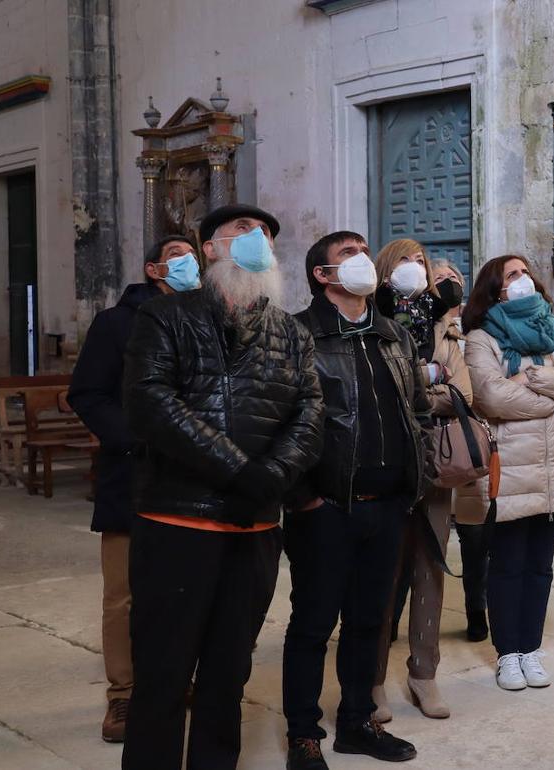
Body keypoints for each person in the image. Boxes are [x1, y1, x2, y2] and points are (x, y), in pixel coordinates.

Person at [121, 204, 323, 770]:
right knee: (163, 676)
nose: (257, 238)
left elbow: (310, 414)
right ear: (208, 247)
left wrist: (271, 478)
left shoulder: (288, 330)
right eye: (240, 230)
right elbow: (152, 403)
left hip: (255, 526)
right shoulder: (167, 317)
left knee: (228, 676)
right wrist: (240, 471)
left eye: (265, 233)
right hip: (178, 520)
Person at [281, 230, 432, 768]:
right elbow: (280, 422)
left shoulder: (392, 334)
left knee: (370, 621)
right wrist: (302, 497)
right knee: (314, 623)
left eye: (364, 251)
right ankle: (303, 733)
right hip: (325, 507)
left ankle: (356, 722)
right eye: (349, 254)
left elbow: (416, 409)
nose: (363, 260)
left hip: (387, 503)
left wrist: (416, 480)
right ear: (322, 275)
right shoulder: (297, 335)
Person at [68, 234, 199, 743]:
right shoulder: (117, 323)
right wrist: (135, 438)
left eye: (194, 255)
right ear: (154, 270)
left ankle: (173, 681)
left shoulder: (209, 319)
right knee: (123, 596)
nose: (190, 264)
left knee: (184, 590)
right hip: (135, 474)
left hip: (194, 480)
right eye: (177, 257)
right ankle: (122, 697)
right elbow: (88, 393)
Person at [462, 255, 554, 691]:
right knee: (507, 565)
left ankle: (531, 649)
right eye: (510, 276)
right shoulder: (481, 338)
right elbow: (490, 396)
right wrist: (552, 397)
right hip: (513, 470)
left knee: (541, 566)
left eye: (523, 273)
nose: (521, 280)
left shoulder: (551, 329)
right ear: (494, 290)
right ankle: (508, 654)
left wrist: (529, 377)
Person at [371, 243, 472, 721]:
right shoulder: (370, 325)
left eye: (420, 263)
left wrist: (418, 393)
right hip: (384, 460)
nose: (414, 270)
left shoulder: (445, 326)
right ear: (384, 272)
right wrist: (428, 384)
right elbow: (374, 392)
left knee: (430, 566)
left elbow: (463, 394)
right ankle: (370, 680)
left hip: (435, 461)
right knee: (380, 572)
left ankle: (423, 674)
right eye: (403, 262)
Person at [435, 260, 493, 644]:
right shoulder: (425, 332)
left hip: (469, 446)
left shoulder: (477, 334)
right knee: (424, 544)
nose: (449, 286)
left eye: (454, 280)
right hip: (432, 446)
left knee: (476, 545)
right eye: (439, 280)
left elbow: (475, 392)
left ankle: (477, 615)